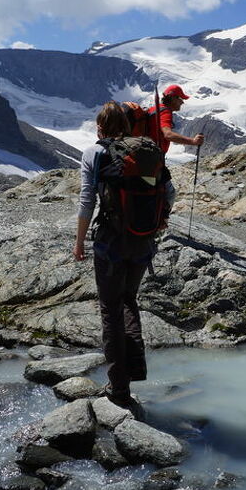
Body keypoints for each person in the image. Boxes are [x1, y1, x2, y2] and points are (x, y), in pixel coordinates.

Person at [73, 101, 175, 408]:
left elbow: (87, 200)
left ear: (100, 127)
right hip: (143, 241)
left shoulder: (96, 152)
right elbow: (170, 193)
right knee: (129, 300)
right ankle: (134, 372)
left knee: (110, 309)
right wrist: (160, 220)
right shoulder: (148, 150)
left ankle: (118, 389)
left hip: (111, 242)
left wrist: (79, 242)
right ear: (129, 126)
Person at [148, 84, 204, 153]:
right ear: (173, 98)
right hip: (151, 155)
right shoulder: (165, 112)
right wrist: (193, 141)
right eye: (180, 99)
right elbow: (168, 135)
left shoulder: (155, 109)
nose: (182, 102)